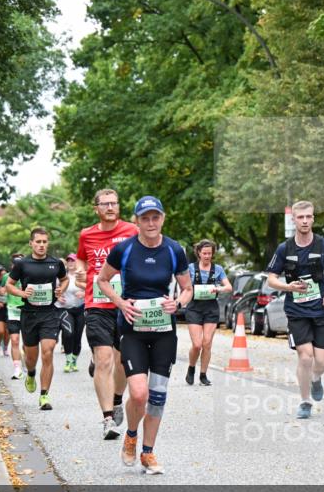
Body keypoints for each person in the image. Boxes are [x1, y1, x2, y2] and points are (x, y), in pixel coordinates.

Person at [96, 196, 191, 475]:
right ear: (136, 220)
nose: (150, 223)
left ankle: (148, 453)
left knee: (158, 397)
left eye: (155, 217)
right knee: (139, 394)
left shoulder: (174, 250)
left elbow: (187, 287)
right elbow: (102, 280)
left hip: (164, 332)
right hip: (133, 331)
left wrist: (179, 303)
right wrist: (121, 302)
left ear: (162, 218)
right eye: (145, 218)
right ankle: (131, 435)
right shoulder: (124, 250)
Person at [265, 200, 324, 420]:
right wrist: (287, 287)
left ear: (313, 218)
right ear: (294, 220)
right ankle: (305, 401)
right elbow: (271, 279)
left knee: (322, 361)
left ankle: (316, 378)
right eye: (301, 217)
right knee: (305, 357)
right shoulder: (284, 249)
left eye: (308, 217)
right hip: (296, 311)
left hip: (321, 310)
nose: (305, 221)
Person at [75, 188, 138, 439]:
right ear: (96, 208)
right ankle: (107, 419)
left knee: (123, 362)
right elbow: (81, 259)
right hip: (96, 304)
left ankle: (117, 398)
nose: (110, 207)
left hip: (125, 305)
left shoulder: (132, 232)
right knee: (103, 359)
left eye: (114, 203)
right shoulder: (87, 234)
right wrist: (81, 270)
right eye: (105, 204)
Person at [6, 228, 68, 410]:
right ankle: (31, 373)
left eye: (44, 242)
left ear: (48, 243)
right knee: (31, 358)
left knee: (48, 352)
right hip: (29, 315)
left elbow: (64, 280)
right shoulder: (22, 264)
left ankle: (44, 396)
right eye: (38, 242)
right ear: (31, 243)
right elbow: (9, 285)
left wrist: (61, 289)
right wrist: (22, 292)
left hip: (49, 314)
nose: (41, 245)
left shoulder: (56, 263)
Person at [183, 240, 231, 386]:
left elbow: (228, 286)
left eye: (209, 253)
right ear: (198, 253)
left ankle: (203, 374)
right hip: (194, 308)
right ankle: (191, 368)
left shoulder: (218, 269)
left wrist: (219, 289)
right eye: (204, 253)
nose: (207, 256)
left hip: (211, 308)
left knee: (207, 343)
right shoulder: (190, 268)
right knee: (197, 344)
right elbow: (184, 285)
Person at [57, 253, 86, 373]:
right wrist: (58, 296)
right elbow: (55, 290)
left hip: (80, 309)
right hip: (66, 309)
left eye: (73, 261)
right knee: (68, 333)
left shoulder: (82, 276)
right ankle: (68, 360)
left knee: (77, 336)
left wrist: (84, 294)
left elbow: (92, 289)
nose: (70, 263)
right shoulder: (62, 277)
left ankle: (74, 359)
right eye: (68, 261)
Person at [5, 253, 26, 379]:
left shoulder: (29, 276)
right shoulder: (7, 277)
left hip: (27, 312)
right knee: (14, 340)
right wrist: (0, 291)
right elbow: (0, 288)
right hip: (12, 311)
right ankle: (17, 369)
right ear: (12, 265)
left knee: (27, 344)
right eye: (15, 263)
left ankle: (26, 364)